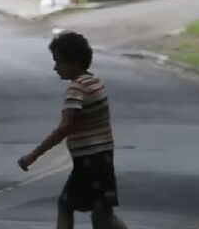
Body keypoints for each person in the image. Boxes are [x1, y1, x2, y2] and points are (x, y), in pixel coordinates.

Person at [18, 31, 128, 229]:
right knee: (102, 215)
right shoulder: (94, 82)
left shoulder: (77, 89)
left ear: (75, 61)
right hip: (102, 158)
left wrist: (33, 156)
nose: (55, 67)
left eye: (59, 62)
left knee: (68, 206)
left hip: (90, 161)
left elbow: (65, 126)